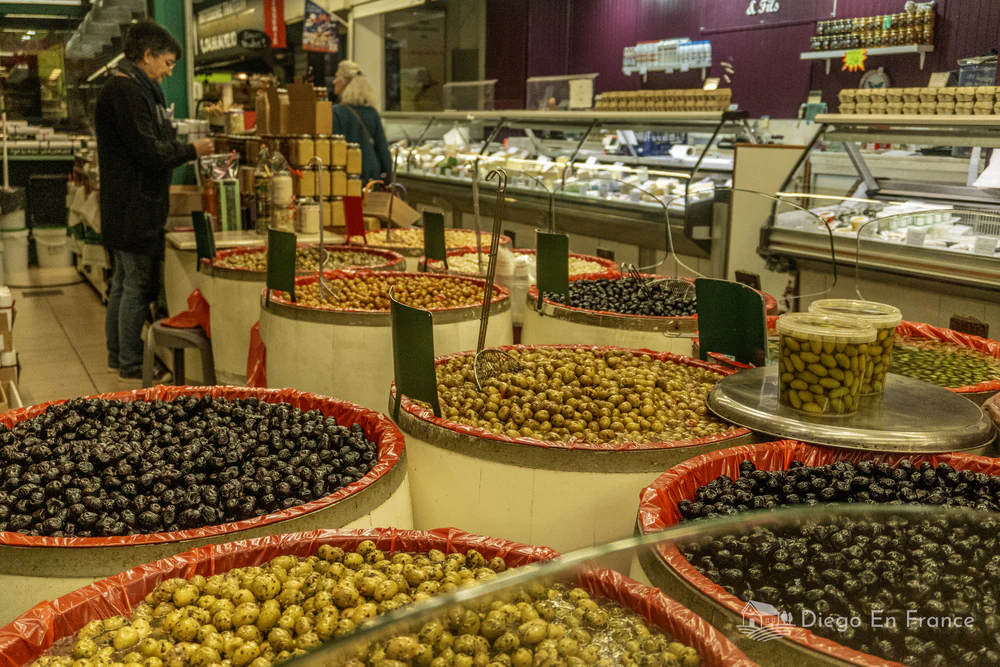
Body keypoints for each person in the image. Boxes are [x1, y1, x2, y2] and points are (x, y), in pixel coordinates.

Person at [95, 20, 213, 382]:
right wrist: (191, 150)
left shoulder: (126, 88)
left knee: (122, 282)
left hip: (123, 206)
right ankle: (130, 362)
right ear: (147, 56)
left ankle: (118, 355)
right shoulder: (128, 92)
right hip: (134, 208)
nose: (169, 70)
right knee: (135, 285)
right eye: (166, 62)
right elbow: (148, 152)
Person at [332, 60, 393, 184]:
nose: (333, 81)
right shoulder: (372, 113)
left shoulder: (336, 112)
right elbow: (383, 150)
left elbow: (334, 149)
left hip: (346, 178)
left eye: (337, 76)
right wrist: (389, 181)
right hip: (371, 178)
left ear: (346, 81)